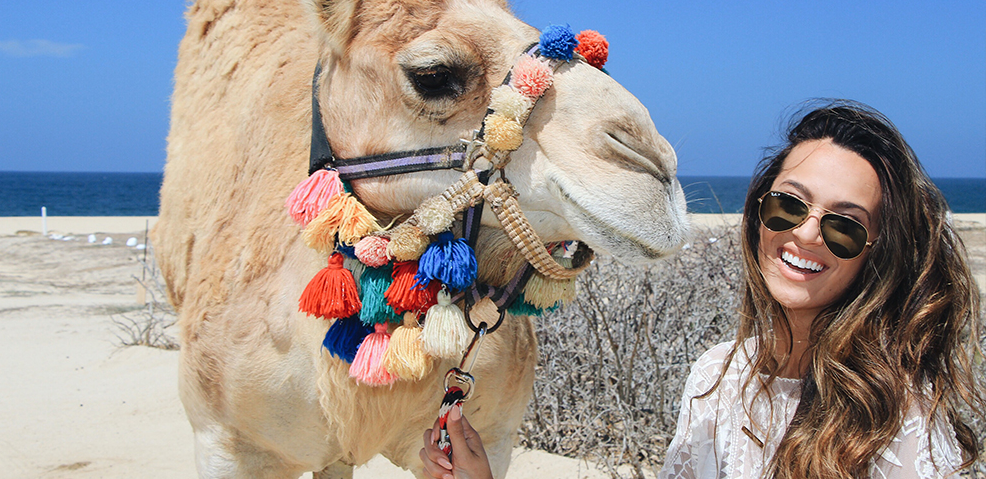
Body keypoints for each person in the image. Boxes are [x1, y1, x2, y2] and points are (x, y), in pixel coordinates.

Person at [420, 101, 984, 478]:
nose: (806, 233)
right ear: (759, 211)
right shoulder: (718, 378)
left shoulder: (902, 419)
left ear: (874, 252)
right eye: (790, 204)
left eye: (844, 226)